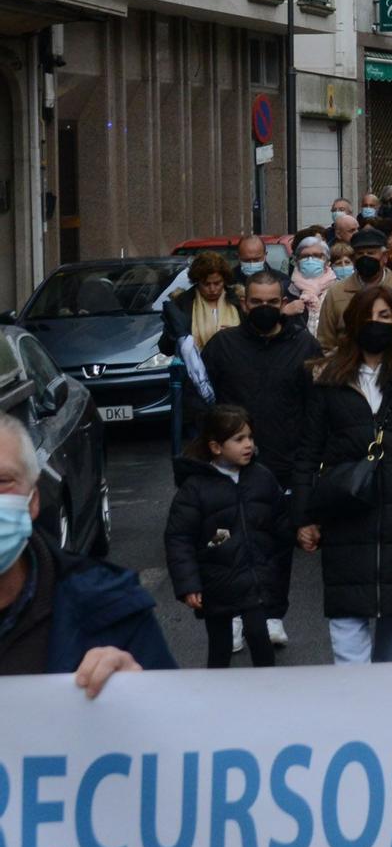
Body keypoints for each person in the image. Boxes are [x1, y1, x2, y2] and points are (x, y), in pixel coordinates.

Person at [294, 286, 392, 664]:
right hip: (345, 513)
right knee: (347, 624)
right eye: (368, 315)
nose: (376, 323)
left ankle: (388, 710)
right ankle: (354, 710)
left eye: (385, 316)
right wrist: (305, 517)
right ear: (352, 323)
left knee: (391, 625)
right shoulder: (329, 380)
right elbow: (307, 453)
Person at [0, 413, 173, 688]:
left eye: (2, 482)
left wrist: (140, 690)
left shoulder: (110, 609)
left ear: (33, 501)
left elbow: (175, 719)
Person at [199, 271, 318, 648]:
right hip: (229, 467)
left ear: (283, 302)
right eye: (256, 302)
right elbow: (200, 402)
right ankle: (235, 616)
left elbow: (318, 408)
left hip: (284, 464)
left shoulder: (304, 347)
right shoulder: (222, 346)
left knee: (276, 546)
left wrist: (311, 462)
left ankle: (271, 615)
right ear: (244, 303)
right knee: (229, 545)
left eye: (272, 302)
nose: (264, 308)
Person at [165, 406, 287, 668]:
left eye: (250, 438)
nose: (248, 445)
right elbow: (180, 539)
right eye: (239, 439)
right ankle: (217, 700)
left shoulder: (261, 477)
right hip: (216, 580)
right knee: (219, 647)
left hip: (253, 577)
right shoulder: (195, 488)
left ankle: (271, 694)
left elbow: (279, 521)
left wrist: (298, 535)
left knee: (259, 636)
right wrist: (189, 584)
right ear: (216, 447)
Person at [159, 251, 240, 408]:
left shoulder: (237, 300)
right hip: (195, 385)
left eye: (217, 283)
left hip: (234, 380)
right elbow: (165, 348)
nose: (213, 289)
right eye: (206, 284)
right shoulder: (183, 303)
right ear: (197, 282)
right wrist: (175, 332)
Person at [317, 228, 392, 351]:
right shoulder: (337, 292)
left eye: (371, 253)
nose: (365, 258)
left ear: (384, 257)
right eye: (360, 254)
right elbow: (325, 342)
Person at [289, 235, 338, 334]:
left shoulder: (338, 290)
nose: (310, 260)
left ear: (327, 261)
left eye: (317, 256)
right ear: (297, 261)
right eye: (305, 256)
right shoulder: (287, 291)